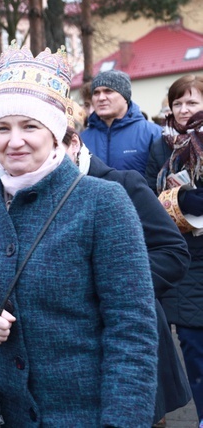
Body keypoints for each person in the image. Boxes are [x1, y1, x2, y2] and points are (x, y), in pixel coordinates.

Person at [0, 45, 158, 426]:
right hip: (6, 413)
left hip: (85, 414)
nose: (14, 141)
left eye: (30, 126)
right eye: (2, 128)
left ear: (57, 132)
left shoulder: (102, 201)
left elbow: (132, 331)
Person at [62, 117, 191, 425]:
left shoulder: (123, 184)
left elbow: (172, 254)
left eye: (55, 144)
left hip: (129, 348)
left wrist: (113, 281)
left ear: (75, 143)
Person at [145, 74, 203, 427]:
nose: (184, 109)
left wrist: (180, 198)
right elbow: (150, 194)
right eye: (178, 102)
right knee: (193, 347)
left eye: (192, 102)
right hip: (181, 255)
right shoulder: (161, 144)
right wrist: (182, 200)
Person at [80, 70, 161, 174]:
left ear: (125, 97)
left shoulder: (153, 134)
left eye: (108, 91)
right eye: (96, 93)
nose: (101, 98)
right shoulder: (81, 139)